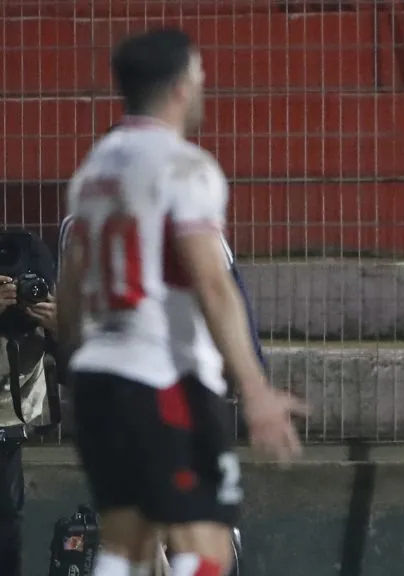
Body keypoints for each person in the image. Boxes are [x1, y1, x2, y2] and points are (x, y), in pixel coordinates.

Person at [56, 28, 305, 576]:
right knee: (207, 547)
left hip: (99, 385)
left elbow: (69, 301)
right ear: (180, 86)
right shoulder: (185, 168)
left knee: (129, 546)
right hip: (164, 381)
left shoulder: (92, 175)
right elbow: (214, 287)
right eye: (199, 77)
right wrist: (258, 391)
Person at [0, 263, 58, 576]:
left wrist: (61, 327)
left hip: (9, 425)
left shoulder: (34, 323)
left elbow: (80, 371)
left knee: (9, 523)